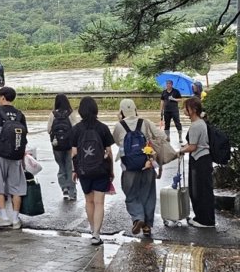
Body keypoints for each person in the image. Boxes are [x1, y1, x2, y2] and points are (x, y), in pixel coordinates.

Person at [112, 99, 167, 236]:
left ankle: (138, 217)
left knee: (131, 194)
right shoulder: (145, 122)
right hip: (147, 164)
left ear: (121, 111)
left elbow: (116, 141)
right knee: (148, 194)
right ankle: (147, 226)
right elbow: (162, 136)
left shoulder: (119, 126)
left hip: (128, 168)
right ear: (136, 109)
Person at [71, 96, 114, 246]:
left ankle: (91, 229)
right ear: (96, 110)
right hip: (101, 169)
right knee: (99, 202)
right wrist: (111, 171)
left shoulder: (76, 129)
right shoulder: (102, 128)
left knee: (89, 201)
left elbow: (74, 153)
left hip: (83, 170)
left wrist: (74, 170)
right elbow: (109, 152)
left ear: (81, 111)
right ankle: (96, 233)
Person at [0, 86, 28, 230]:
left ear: (2, 97)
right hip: (16, 155)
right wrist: (22, 157)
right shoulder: (20, 114)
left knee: (0, 187)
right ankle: (15, 219)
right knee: (16, 188)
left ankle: (4, 217)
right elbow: (24, 138)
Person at [179, 98, 215, 228]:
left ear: (193, 110)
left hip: (199, 161)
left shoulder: (196, 125)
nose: (184, 110)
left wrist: (181, 150)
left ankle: (204, 220)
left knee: (199, 190)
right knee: (202, 189)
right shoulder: (200, 122)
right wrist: (186, 146)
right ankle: (203, 218)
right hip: (203, 159)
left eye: (186, 107)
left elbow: (192, 147)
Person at [47, 94, 78, 201]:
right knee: (70, 167)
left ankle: (64, 187)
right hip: (70, 144)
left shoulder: (53, 114)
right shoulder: (71, 113)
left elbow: (48, 130)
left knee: (61, 166)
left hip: (56, 145)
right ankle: (72, 192)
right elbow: (76, 128)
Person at [160, 79, 183, 143]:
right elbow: (162, 101)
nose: (168, 85)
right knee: (167, 124)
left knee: (177, 123)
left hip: (174, 110)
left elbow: (180, 99)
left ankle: (180, 137)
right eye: (167, 83)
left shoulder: (176, 91)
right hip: (166, 111)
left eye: (169, 84)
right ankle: (167, 137)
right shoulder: (164, 92)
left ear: (172, 85)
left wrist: (174, 99)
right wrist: (161, 109)